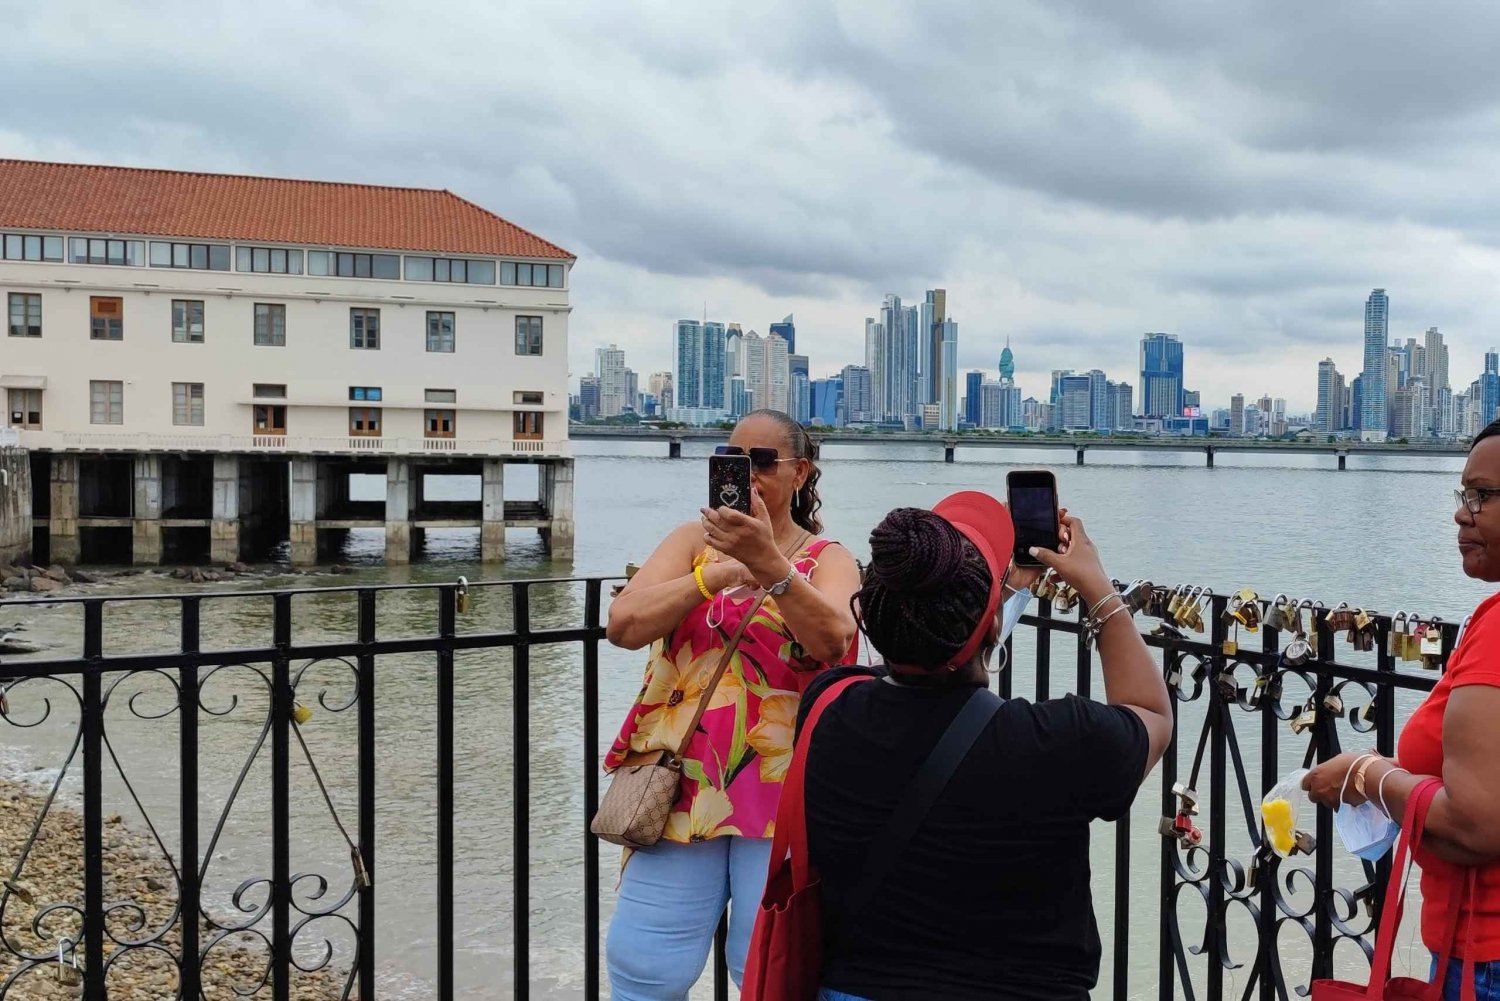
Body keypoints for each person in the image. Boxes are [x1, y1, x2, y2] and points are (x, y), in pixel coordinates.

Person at [795, 492, 1174, 1000]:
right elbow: (1152, 713)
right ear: (993, 623)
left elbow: (916, 665)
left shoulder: (828, 711)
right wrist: (1096, 587)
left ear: (874, 612)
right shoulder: (1061, 742)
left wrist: (989, 598)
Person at [601, 409, 861, 1000]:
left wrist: (769, 565)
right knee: (645, 961)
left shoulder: (827, 559)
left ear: (801, 473)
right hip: (679, 784)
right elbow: (623, 624)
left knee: (766, 965)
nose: (747, 473)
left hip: (782, 789)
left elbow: (834, 642)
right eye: (732, 458)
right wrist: (713, 577)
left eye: (764, 461)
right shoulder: (693, 543)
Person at [1305, 418, 1500, 1000]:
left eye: (1483, 496)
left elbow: (1476, 822)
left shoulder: (1495, 633)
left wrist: (1367, 775)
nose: (1461, 513)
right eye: (1462, 494)